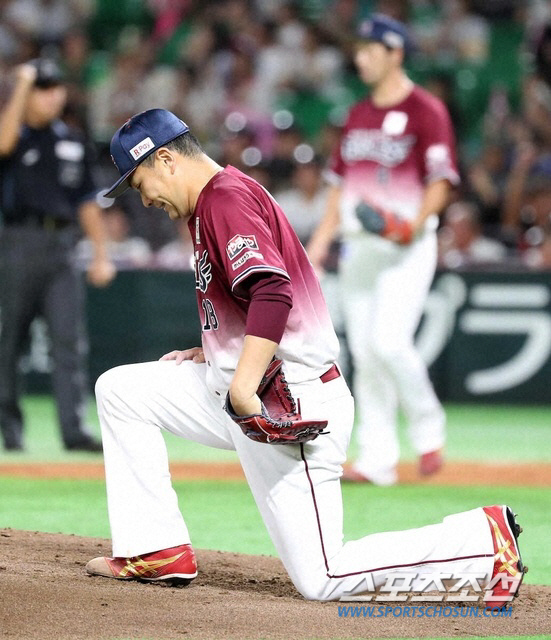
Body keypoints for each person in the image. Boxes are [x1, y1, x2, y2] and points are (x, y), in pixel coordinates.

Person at [84, 108, 525, 609]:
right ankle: (155, 549)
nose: (142, 197)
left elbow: (272, 292)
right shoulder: (214, 199)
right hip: (249, 386)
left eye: (137, 181)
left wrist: (244, 386)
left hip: (290, 401)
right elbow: (244, 299)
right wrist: (214, 347)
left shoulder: (225, 199)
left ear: (164, 159)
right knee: (122, 391)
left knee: (322, 578)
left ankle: (482, 545)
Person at [307, 14, 458, 486]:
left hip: (406, 246)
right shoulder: (358, 114)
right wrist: (319, 242)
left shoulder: (425, 109)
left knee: (390, 342)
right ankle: (377, 460)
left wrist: (413, 226)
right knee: (367, 354)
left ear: (396, 53)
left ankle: (429, 430)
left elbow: (442, 180)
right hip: (360, 246)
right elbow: (338, 188)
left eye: (370, 50)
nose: (360, 57)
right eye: (359, 49)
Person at [0, 58, 115, 452]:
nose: (50, 96)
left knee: (69, 341)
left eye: (54, 87)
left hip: (63, 247)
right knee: (8, 341)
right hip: (17, 241)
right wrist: (19, 88)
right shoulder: (14, 135)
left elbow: (87, 202)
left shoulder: (73, 141)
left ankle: (73, 430)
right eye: (41, 88)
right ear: (25, 95)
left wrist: (101, 254)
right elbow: (3, 144)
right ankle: (10, 431)